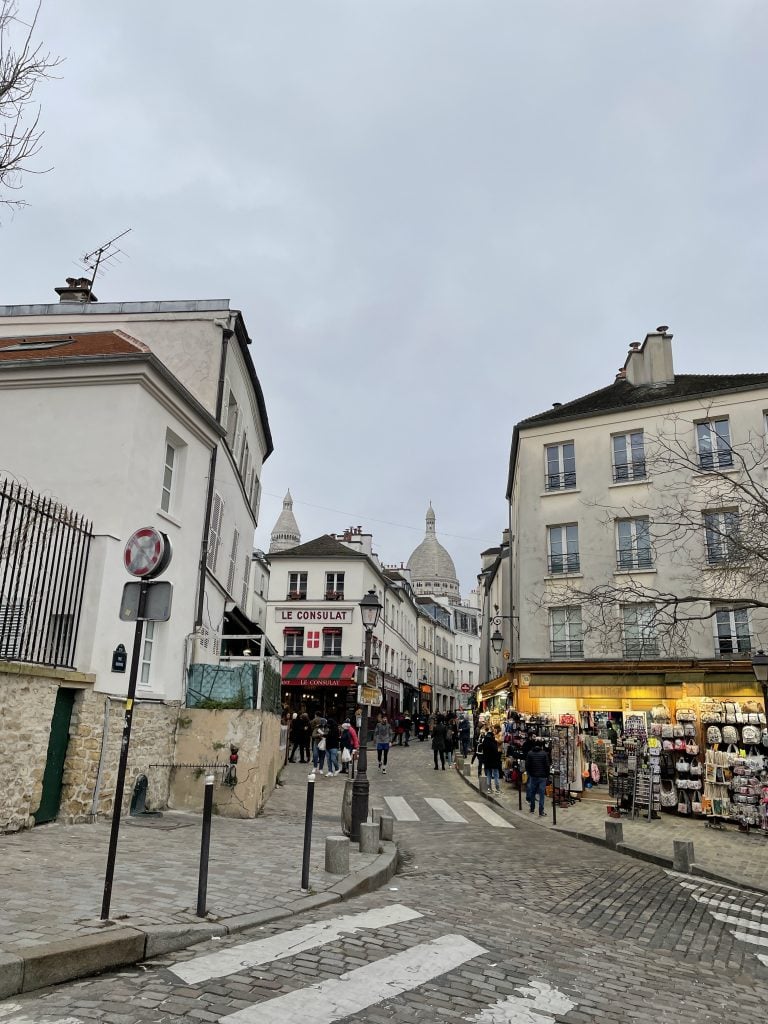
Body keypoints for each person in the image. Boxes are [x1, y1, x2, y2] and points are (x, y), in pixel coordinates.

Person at [525, 740, 551, 816]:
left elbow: (527, 765)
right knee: (541, 794)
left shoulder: (530, 753)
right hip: (542, 777)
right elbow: (547, 766)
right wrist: (547, 775)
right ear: (541, 746)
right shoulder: (544, 754)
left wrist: (530, 773)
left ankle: (532, 809)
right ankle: (541, 811)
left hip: (533, 776)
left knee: (532, 793)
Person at [482, 726, 502, 793]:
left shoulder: (485, 742)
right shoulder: (493, 742)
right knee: (496, 775)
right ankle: (497, 789)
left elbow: (483, 752)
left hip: (487, 761)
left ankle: (489, 789)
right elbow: (495, 752)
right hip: (494, 761)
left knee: (489, 775)